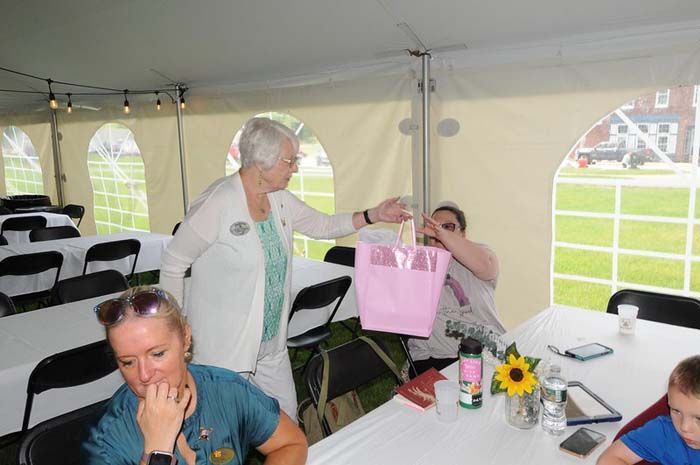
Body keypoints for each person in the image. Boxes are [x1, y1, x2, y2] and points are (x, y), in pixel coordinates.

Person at [159, 116, 409, 419]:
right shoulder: (218, 202)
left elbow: (323, 225)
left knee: (287, 419)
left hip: (271, 343)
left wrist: (373, 214)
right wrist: (174, 331)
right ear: (261, 163)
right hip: (226, 348)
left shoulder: (278, 199)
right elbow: (173, 263)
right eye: (289, 161)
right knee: (231, 428)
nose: (295, 168)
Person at [83, 286, 308, 465]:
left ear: (185, 338)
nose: (144, 375)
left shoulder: (227, 391)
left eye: (157, 354)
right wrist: (157, 450)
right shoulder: (108, 438)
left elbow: (290, 444)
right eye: (128, 362)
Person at [407, 202, 505, 375]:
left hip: (487, 350)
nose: (438, 231)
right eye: (434, 226)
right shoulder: (418, 263)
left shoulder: (480, 254)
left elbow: (486, 265)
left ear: (463, 233)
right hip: (436, 358)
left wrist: (444, 236)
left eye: (448, 227)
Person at [596, 355, 700, 465]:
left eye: (699, 418)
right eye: (676, 411)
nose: (684, 427)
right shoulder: (665, 433)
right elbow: (609, 459)